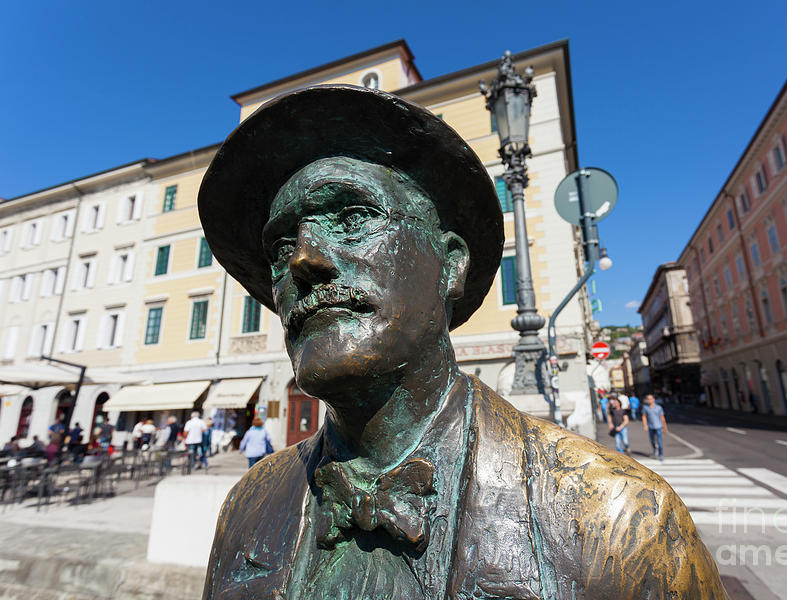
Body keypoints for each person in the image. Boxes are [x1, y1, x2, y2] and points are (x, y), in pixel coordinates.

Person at [199, 84, 725, 598]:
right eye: (281, 243)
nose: (302, 260)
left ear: (450, 264)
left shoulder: (623, 519)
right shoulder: (247, 507)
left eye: (354, 218)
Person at [642, 394, 669, 461]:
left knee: (659, 441)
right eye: (648, 399)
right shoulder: (645, 407)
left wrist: (665, 428)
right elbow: (644, 416)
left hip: (658, 427)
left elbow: (662, 418)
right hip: (650, 426)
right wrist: (645, 425)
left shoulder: (659, 407)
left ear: (653, 399)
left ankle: (660, 455)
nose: (649, 400)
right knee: (652, 441)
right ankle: (655, 450)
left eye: (650, 399)